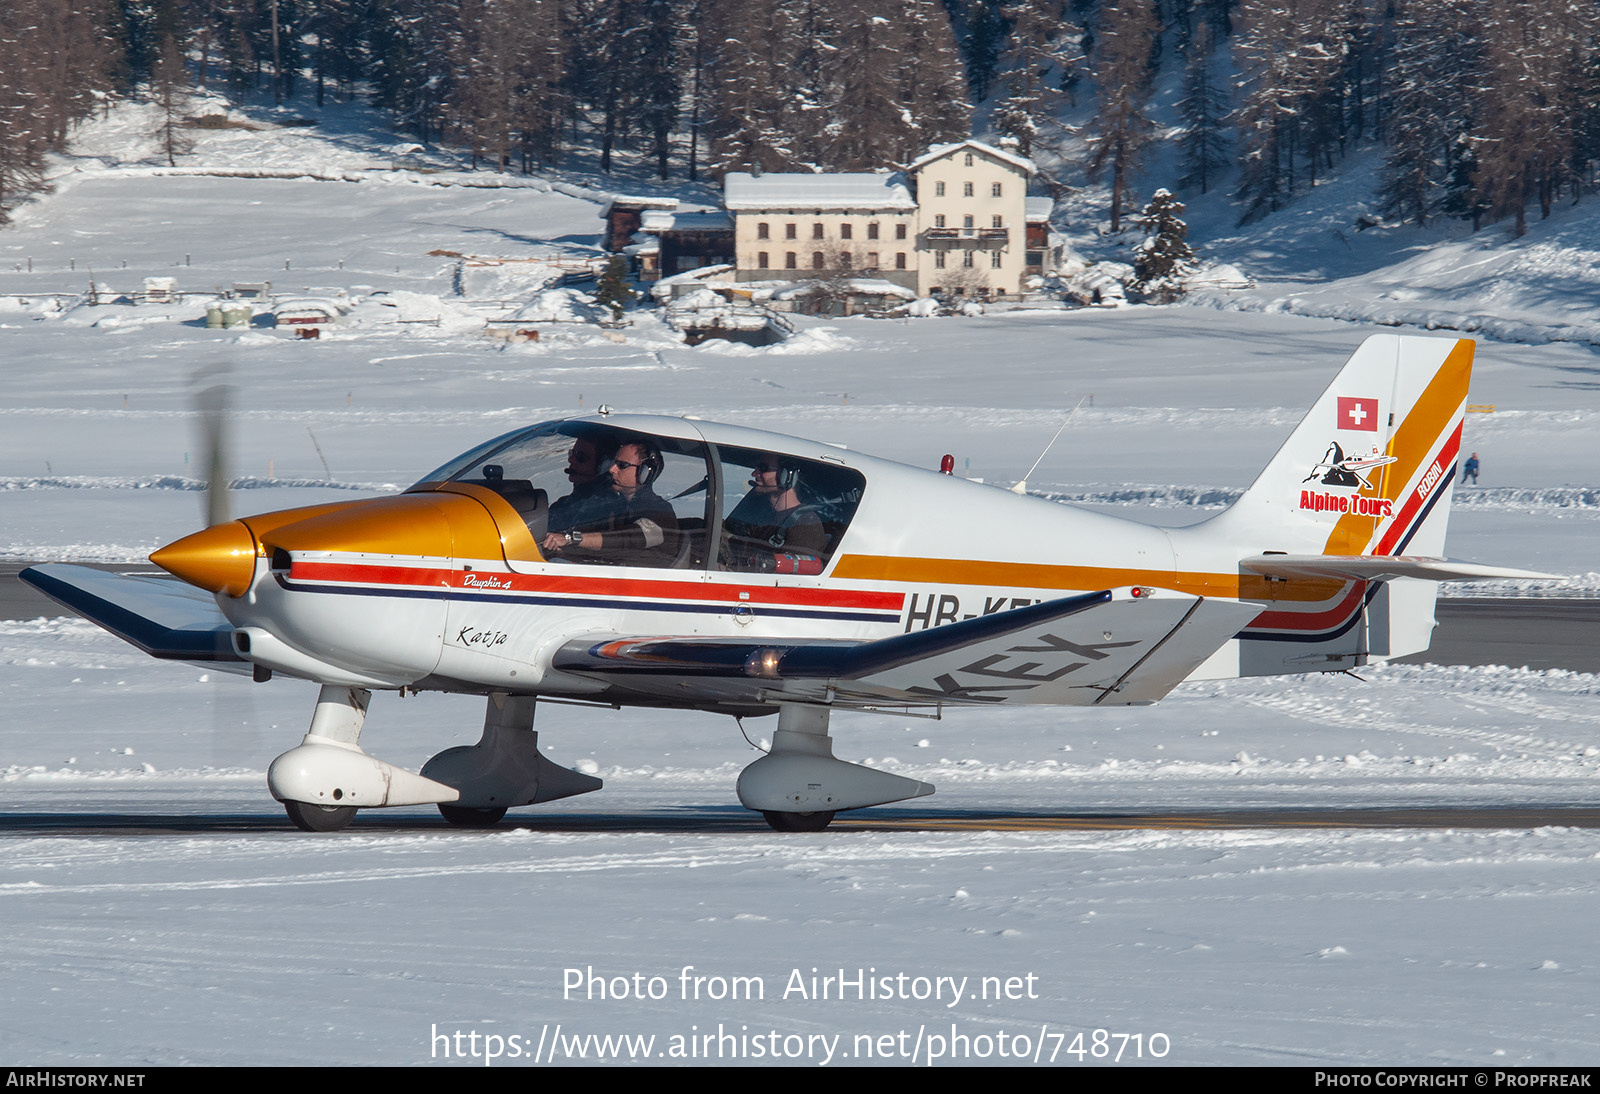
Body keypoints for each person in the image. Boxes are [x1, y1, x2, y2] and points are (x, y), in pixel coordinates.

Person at [541, 439, 679, 567]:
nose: (612, 469)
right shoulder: (616, 508)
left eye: (622, 465)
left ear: (645, 473)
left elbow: (626, 539)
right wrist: (563, 549)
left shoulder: (660, 512)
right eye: (613, 463)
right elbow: (604, 554)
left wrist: (571, 539)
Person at [722, 454, 827, 573]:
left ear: (787, 475)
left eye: (763, 468)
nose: (754, 474)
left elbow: (790, 581)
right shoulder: (763, 515)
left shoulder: (805, 524)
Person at [546, 432, 619, 534]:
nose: (571, 459)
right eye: (572, 453)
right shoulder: (564, 504)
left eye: (580, 456)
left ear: (603, 466)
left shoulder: (603, 509)